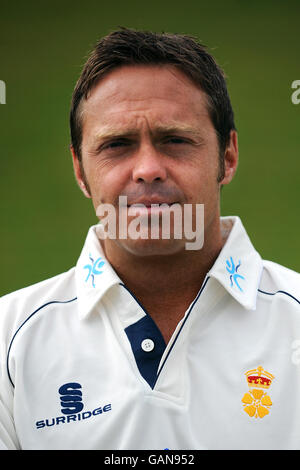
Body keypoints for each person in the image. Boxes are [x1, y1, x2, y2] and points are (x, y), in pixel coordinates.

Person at [0, 28, 299, 451]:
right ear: (80, 171)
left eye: (175, 140)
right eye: (117, 145)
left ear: (227, 157)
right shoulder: (8, 340)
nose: (147, 169)